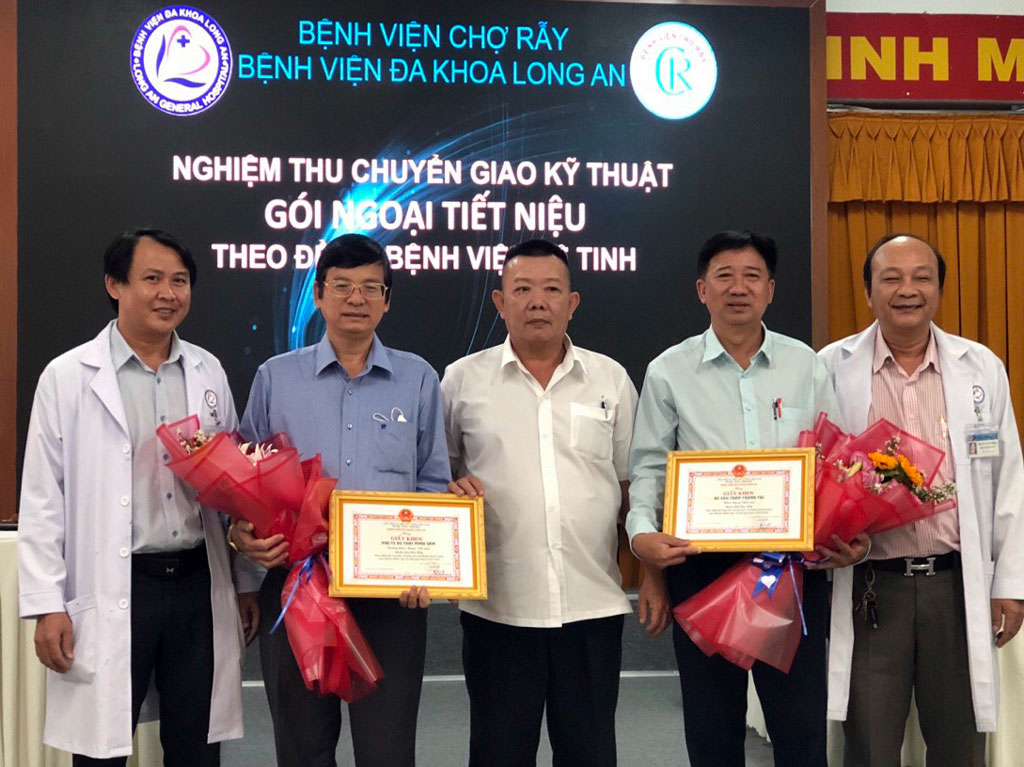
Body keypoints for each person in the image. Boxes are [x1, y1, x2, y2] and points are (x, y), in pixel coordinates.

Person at [626, 230, 866, 767]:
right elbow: (648, 468)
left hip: (791, 569)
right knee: (712, 730)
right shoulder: (669, 370)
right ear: (702, 290)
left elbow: (834, 459)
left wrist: (846, 528)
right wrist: (641, 537)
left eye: (752, 276)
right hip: (702, 568)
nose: (739, 288)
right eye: (724, 277)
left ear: (770, 290)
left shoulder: (805, 364)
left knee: (801, 730)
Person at [18, 228, 257, 765]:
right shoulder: (67, 376)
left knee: (196, 747)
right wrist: (47, 605)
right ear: (115, 285)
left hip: (196, 582)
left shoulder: (208, 371)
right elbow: (42, 499)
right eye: (152, 279)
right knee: (101, 752)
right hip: (118, 584)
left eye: (180, 281)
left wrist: (244, 583)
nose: (168, 293)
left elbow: (235, 488)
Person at [231, 233, 450, 767]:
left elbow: (432, 483)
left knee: (388, 751)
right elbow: (244, 481)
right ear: (318, 294)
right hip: (296, 589)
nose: (356, 298)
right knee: (302, 749)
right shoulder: (275, 377)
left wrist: (426, 567)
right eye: (342, 285)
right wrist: (243, 544)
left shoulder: (418, 379)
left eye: (371, 287)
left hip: (390, 596)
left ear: (387, 300)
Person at [820, 233, 1024, 766]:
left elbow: (1008, 479)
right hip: (871, 587)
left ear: (939, 289)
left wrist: (1010, 584)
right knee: (870, 744)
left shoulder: (981, 367)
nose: (907, 290)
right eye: (891, 278)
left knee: (959, 743)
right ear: (868, 292)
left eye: (921, 277)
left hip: (956, 585)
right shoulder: (831, 366)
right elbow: (817, 472)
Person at [442, 237, 640, 766]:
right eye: (522, 289)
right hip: (499, 610)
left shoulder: (611, 379)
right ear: (499, 301)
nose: (537, 302)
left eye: (551, 290)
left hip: (592, 605)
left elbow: (632, 486)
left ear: (572, 302)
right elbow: (441, 480)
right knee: (499, 754)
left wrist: (653, 578)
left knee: (590, 754)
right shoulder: (461, 381)